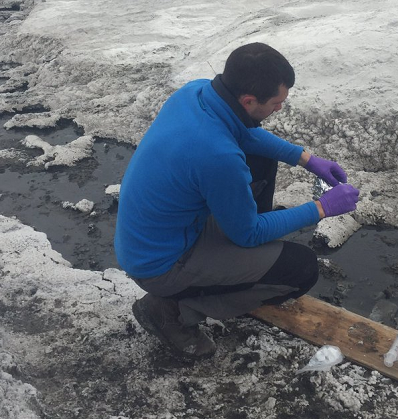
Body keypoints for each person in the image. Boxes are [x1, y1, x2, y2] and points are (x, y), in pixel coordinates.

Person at [114, 42, 359, 357]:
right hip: (160, 264)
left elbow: (246, 134)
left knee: (260, 158)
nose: (279, 109)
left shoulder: (197, 92)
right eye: (275, 103)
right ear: (248, 100)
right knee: (300, 269)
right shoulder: (217, 155)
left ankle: (235, 264)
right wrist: (323, 208)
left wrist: (307, 159)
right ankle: (171, 311)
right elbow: (249, 233)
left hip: (159, 233)